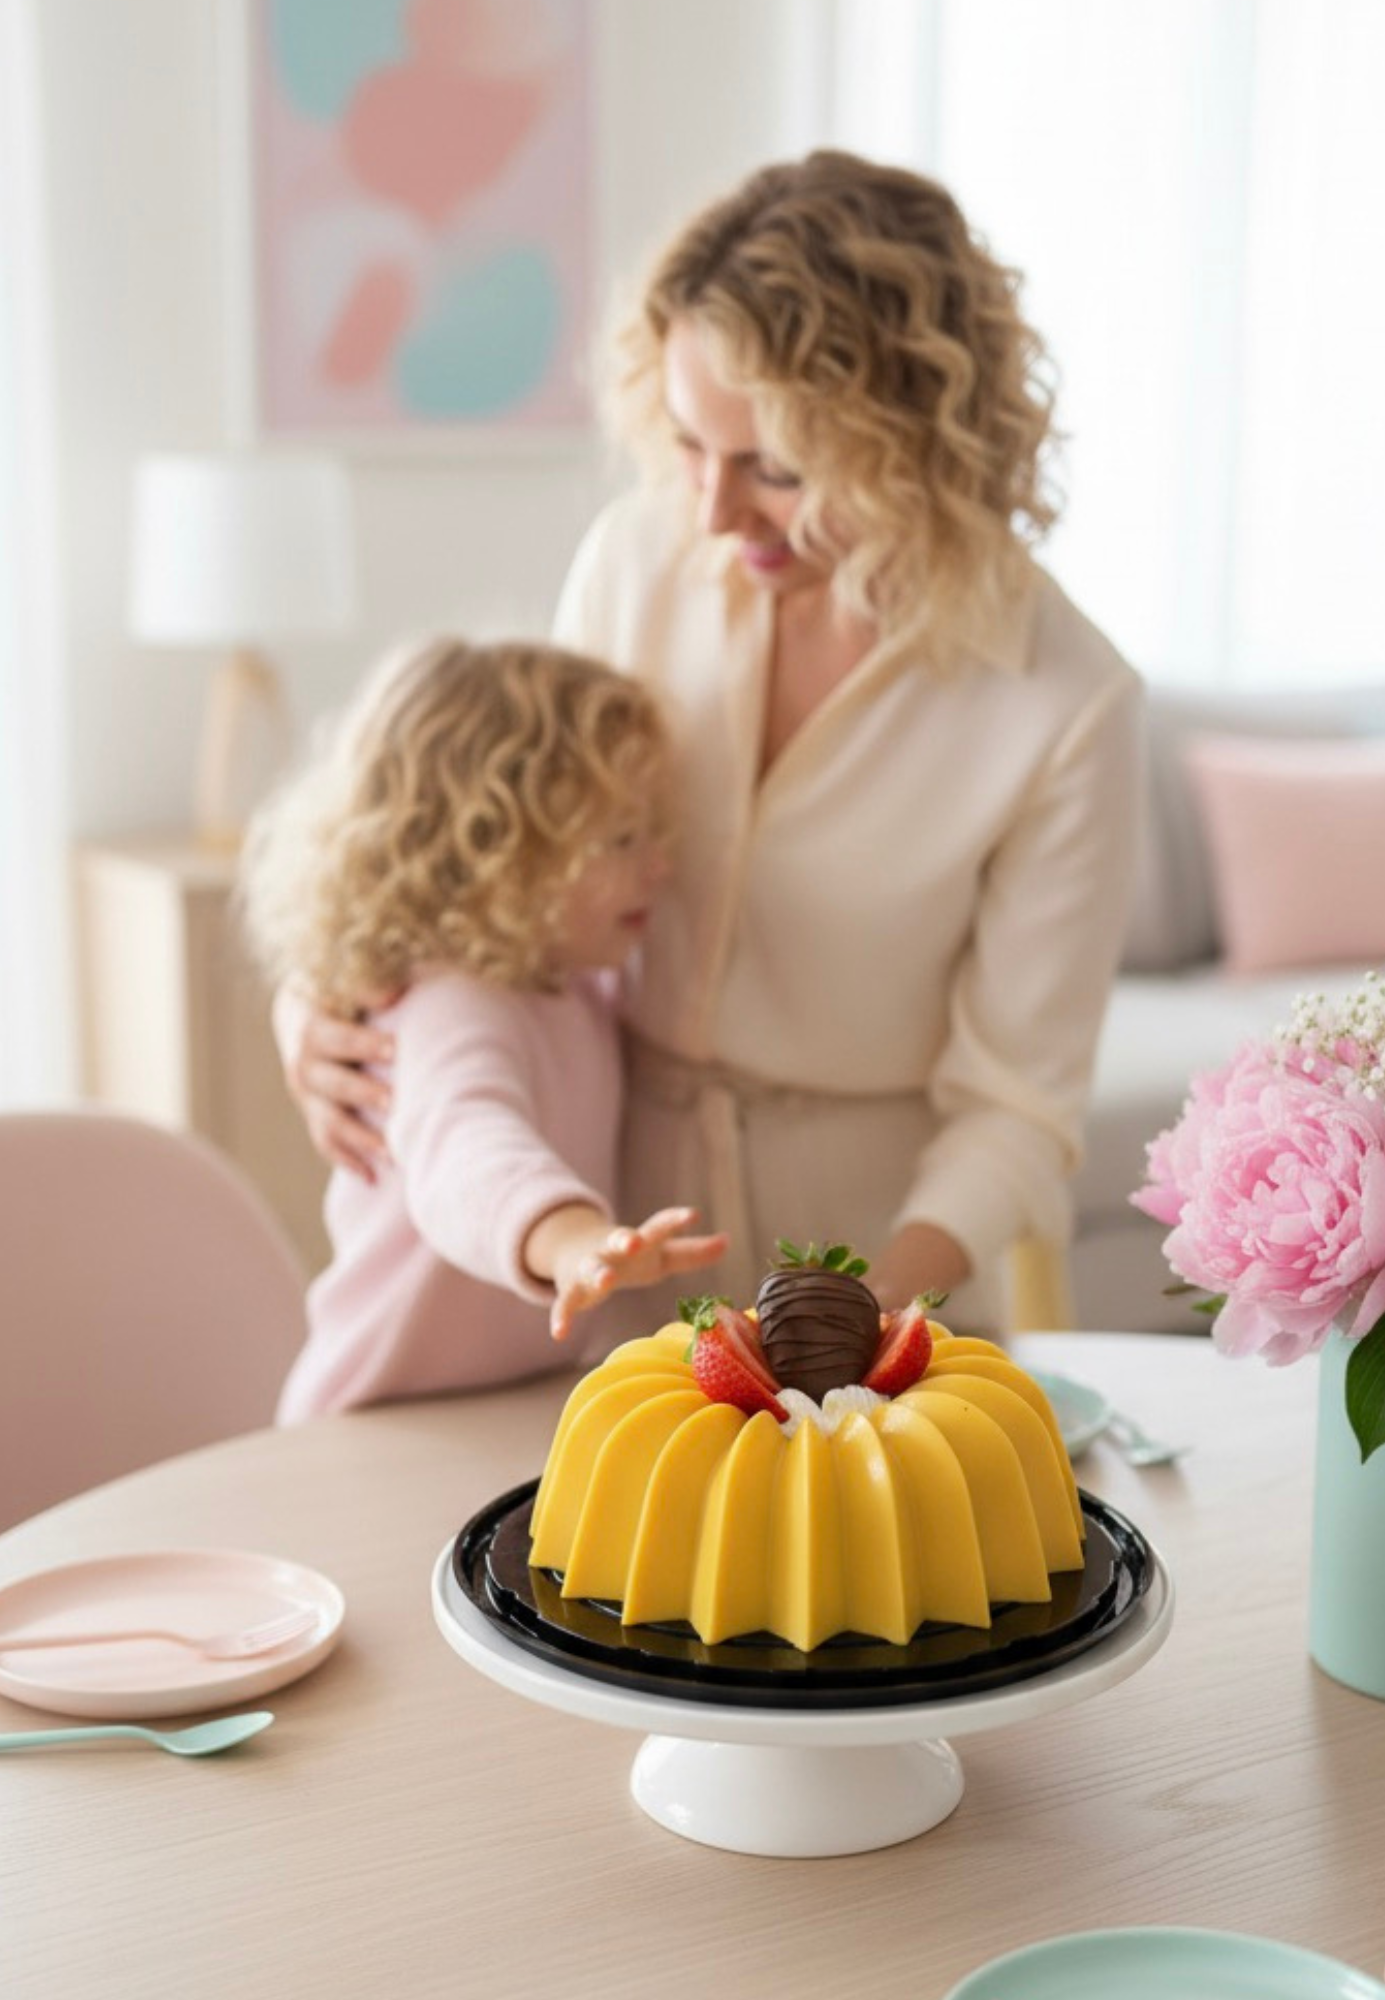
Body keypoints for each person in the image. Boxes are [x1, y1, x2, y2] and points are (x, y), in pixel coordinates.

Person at [277, 149, 1144, 1335]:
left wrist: (868, 1306)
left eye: (776, 468)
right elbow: (500, 858)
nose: (713, 508)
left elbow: (1017, 1110)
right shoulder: (640, 561)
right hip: (621, 1212)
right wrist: (321, 1011)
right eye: (691, 443)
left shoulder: (1063, 698)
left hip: (879, 1250)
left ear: (913, 444)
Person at [243, 636, 727, 1421]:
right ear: (497, 852)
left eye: (654, 832)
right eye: (620, 839)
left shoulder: (574, 983)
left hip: (492, 1407)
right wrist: (570, 1242)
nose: (659, 866)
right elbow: (463, 1149)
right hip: (377, 1417)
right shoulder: (450, 1004)